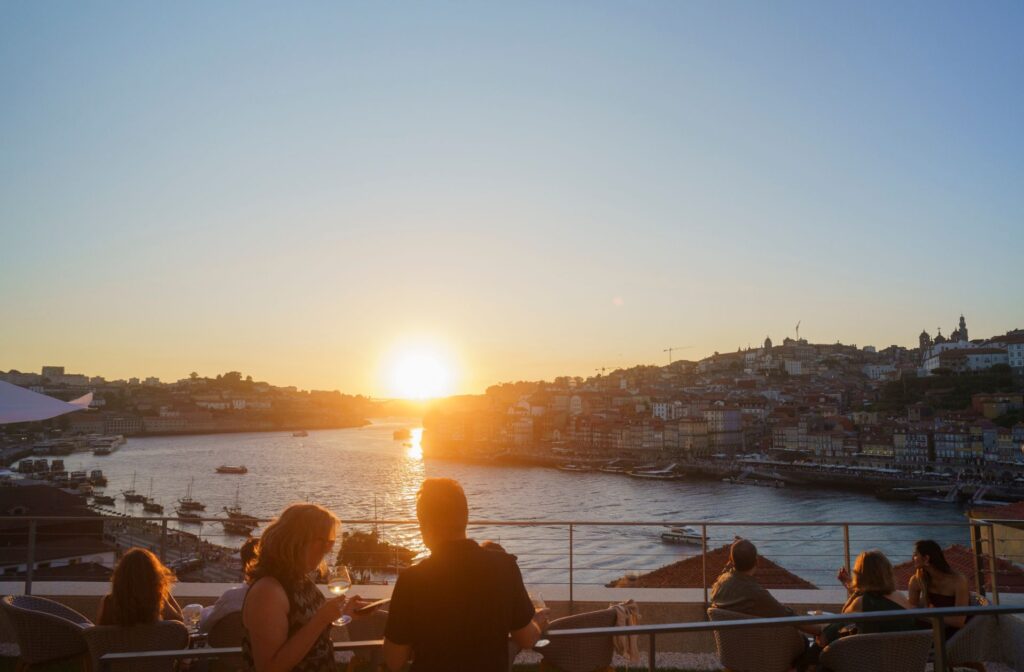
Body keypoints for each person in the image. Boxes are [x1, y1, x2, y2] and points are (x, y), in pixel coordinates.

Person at [382, 478, 548, 672]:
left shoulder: (412, 580)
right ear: (465, 517)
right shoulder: (505, 567)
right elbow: (526, 638)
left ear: (425, 525)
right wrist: (538, 621)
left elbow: (394, 660)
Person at [241, 504, 368, 672]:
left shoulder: (298, 579)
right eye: (321, 541)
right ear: (295, 541)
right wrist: (321, 619)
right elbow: (269, 667)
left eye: (330, 542)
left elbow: (303, 630)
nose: (327, 549)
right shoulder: (267, 592)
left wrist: (344, 612)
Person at [97, 547, 183, 625]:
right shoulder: (155, 601)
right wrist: (162, 589)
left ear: (120, 575)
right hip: (150, 642)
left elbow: (101, 631)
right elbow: (179, 623)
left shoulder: (110, 602)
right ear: (153, 576)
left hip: (121, 642)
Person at [907, 539, 970, 634]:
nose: (912, 557)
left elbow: (959, 621)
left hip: (954, 635)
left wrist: (931, 614)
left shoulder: (958, 581)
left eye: (916, 554)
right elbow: (911, 609)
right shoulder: (916, 580)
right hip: (929, 631)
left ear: (926, 558)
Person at [198, 537, 259, 634]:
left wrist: (204, 611)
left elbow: (204, 627)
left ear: (244, 565)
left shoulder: (231, 598)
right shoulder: (281, 598)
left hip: (227, 648)